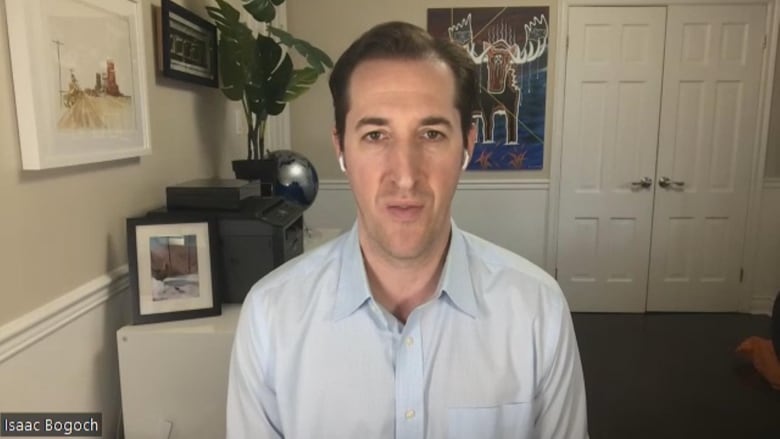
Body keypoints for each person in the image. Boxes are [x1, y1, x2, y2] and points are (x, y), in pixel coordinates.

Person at [226, 21, 588, 438]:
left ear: (467, 146)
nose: (404, 175)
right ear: (341, 148)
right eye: (376, 135)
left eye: (431, 134)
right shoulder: (271, 318)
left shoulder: (537, 313)